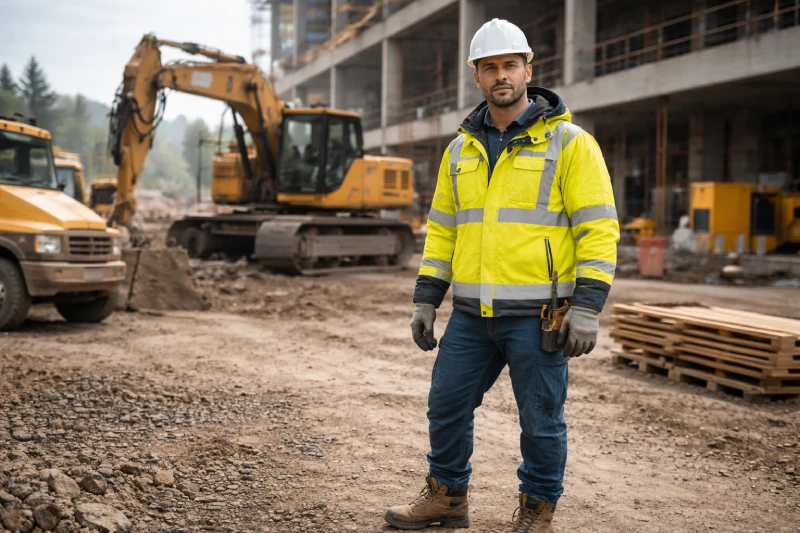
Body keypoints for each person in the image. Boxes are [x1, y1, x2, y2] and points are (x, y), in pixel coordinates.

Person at [384, 18, 620, 533]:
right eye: (490, 67)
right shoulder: (459, 152)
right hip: (471, 316)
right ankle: (448, 501)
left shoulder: (570, 144)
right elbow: (442, 232)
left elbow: (598, 230)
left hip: (538, 318)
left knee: (540, 423)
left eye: (510, 65)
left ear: (528, 70)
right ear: (476, 76)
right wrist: (427, 298)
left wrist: (587, 306)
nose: (501, 76)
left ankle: (537, 513)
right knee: (445, 406)